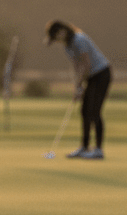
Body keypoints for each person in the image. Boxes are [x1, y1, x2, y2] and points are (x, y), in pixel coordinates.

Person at [45, 20, 112, 160]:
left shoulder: (79, 39)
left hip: (101, 74)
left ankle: (98, 150)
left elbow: (86, 64)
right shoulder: (68, 45)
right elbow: (76, 66)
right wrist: (77, 87)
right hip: (91, 76)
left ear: (62, 31)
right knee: (84, 111)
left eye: (56, 37)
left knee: (94, 111)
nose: (57, 40)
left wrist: (80, 84)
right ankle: (84, 147)